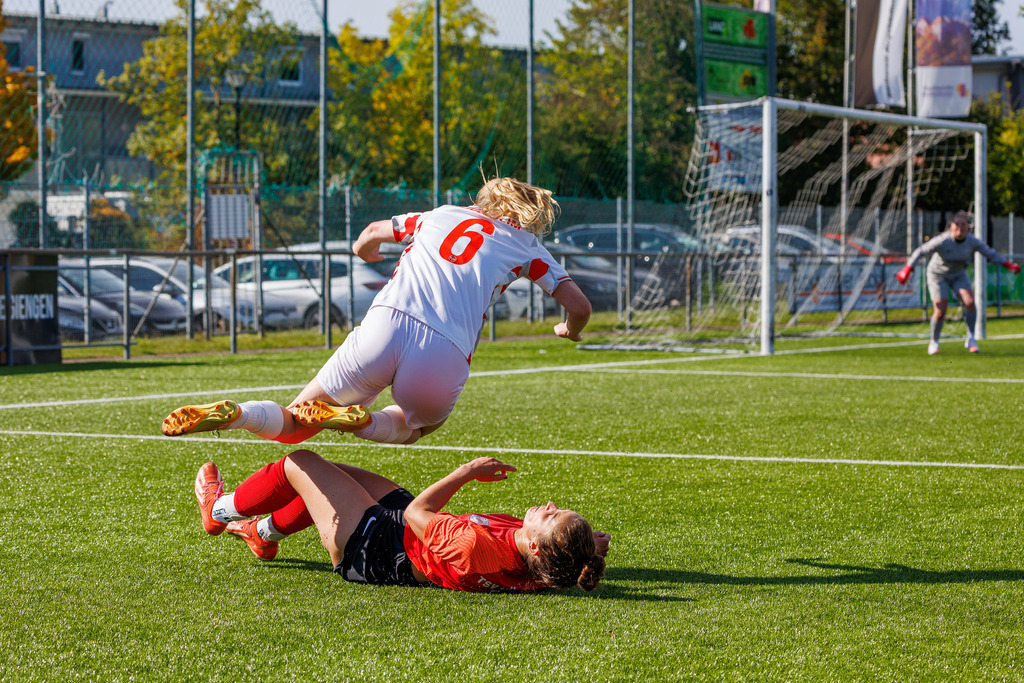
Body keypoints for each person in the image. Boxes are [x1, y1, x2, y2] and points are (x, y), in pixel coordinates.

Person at [161, 177, 592, 445]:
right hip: (445, 349)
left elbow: (370, 234)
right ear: (526, 213)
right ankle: (362, 423)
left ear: (481, 201)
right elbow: (579, 306)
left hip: (386, 322)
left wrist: (362, 252)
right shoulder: (525, 245)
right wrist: (568, 330)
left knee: (297, 422)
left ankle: (238, 415)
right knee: (418, 426)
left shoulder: (439, 214)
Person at [194, 452, 610, 592]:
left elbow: (417, 514)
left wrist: (466, 471)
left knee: (299, 464)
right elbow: (566, 561)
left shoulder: (473, 545)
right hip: (413, 540)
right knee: (332, 475)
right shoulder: (551, 567)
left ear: (537, 547)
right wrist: (586, 547)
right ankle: (261, 533)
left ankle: (219, 511)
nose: (550, 505)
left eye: (552, 517)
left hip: (375, 545)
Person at [897, 210, 1019, 355]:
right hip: (938, 274)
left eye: (963, 224)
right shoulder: (943, 240)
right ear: (951, 226)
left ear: (968, 227)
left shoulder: (972, 241)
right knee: (941, 309)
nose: (959, 227)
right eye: (956, 224)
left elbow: (989, 253)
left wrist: (1008, 264)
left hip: (958, 274)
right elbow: (921, 251)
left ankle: (971, 338)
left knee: (970, 302)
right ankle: (934, 342)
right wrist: (908, 268)